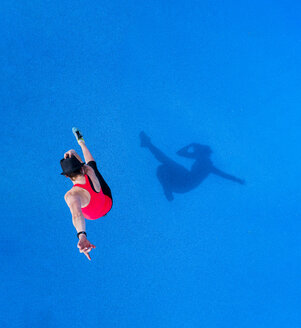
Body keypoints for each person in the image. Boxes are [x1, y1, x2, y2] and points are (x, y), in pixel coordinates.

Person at [60, 128, 113, 260]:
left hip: (94, 215)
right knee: (93, 166)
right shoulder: (88, 171)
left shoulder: (72, 195)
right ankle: (81, 142)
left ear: (67, 176)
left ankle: (80, 144)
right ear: (82, 168)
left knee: (91, 167)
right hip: (107, 201)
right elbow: (84, 164)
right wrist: (73, 152)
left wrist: (82, 235)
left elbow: (77, 214)